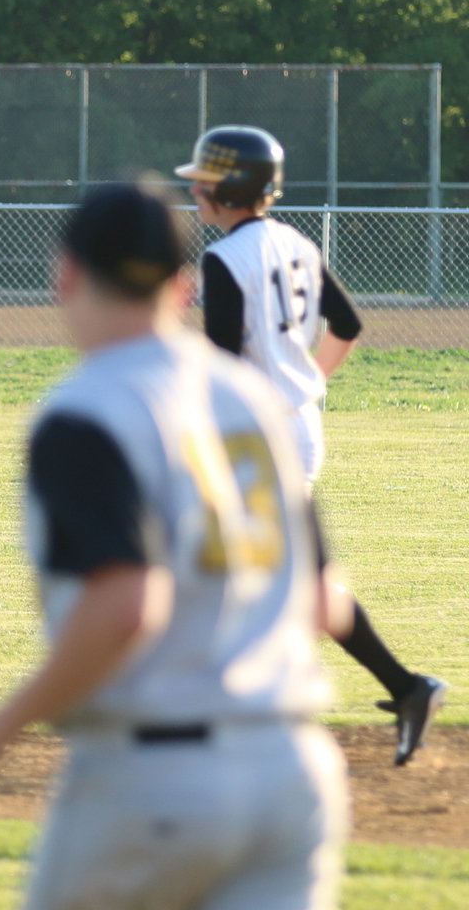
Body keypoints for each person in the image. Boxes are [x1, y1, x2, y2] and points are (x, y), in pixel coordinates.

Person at [0, 181, 352, 910]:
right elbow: (328, 604)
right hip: (293, 774)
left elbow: (126, 605)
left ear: (65, 275)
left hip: (153, 774)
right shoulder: (255, 401)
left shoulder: (86, 409)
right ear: (184, 286)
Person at [175, 125, 447, 765]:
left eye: (204, 184)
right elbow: (347, 325)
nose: (196, 195)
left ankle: (243, 717)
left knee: (241, 578)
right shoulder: (296, 243)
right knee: (298, 585)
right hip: (296, 428)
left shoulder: (223, 261)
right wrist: (303, 386)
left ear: (229, 189)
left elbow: (222, 367)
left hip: (256, 439)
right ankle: (406, 688)